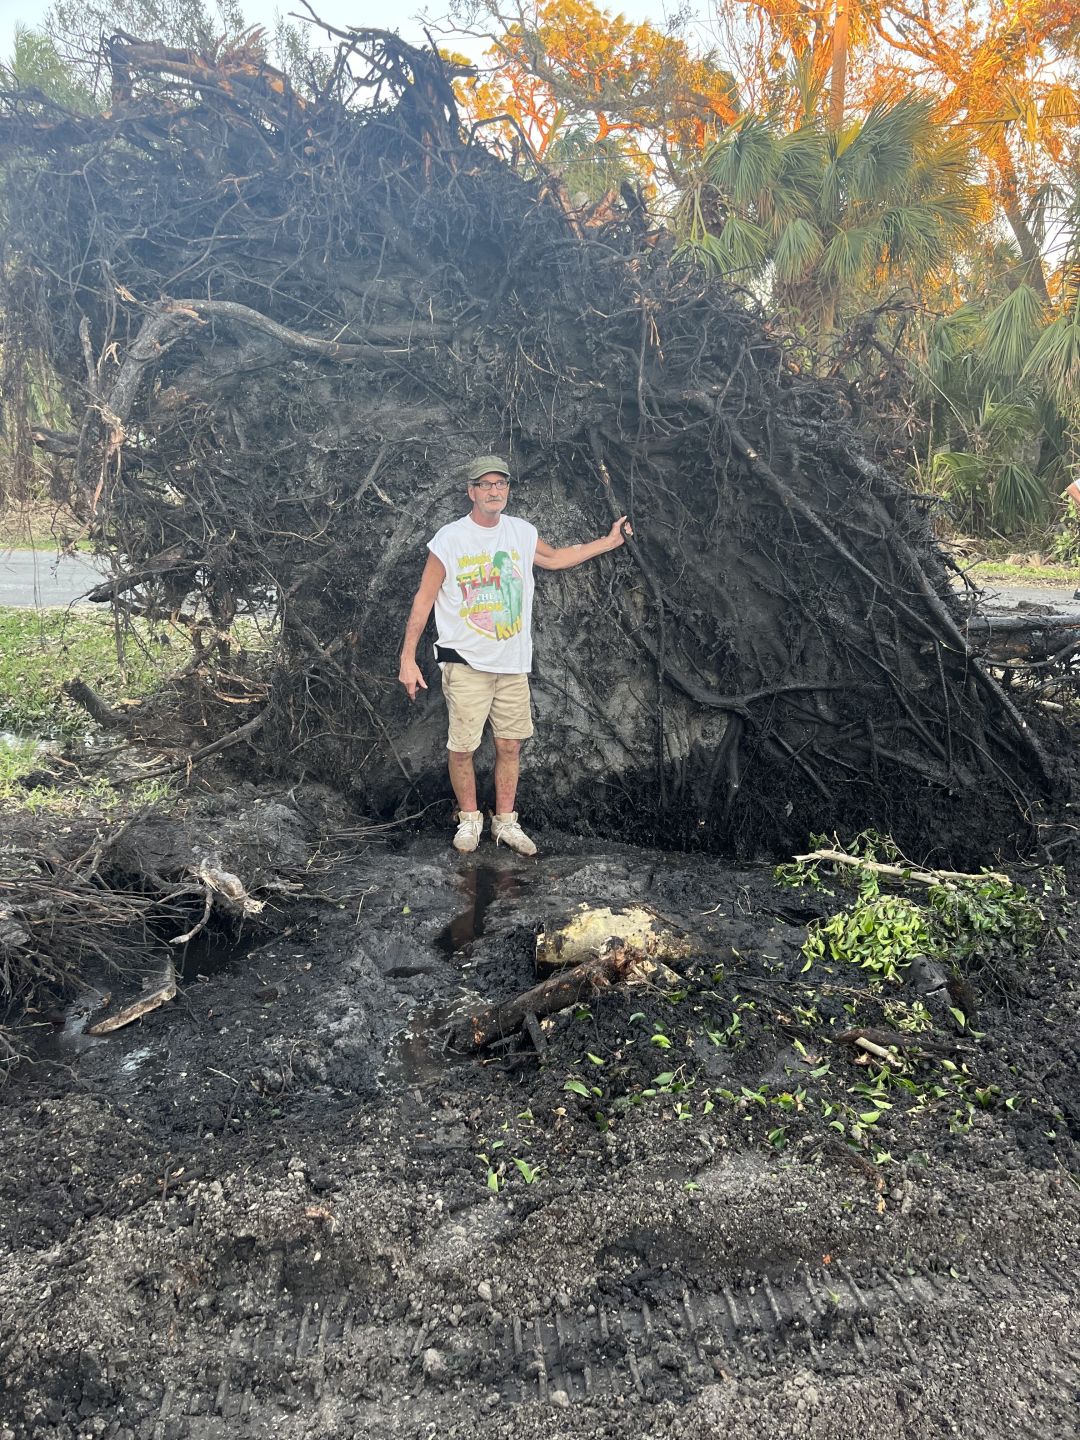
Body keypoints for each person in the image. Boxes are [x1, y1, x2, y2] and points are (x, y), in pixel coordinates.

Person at [398, 454, 631, 855]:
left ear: (507, 490)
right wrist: (407, 658)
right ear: (471, 492)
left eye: (500, 484)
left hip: (512, 663)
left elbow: (556, 558)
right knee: (462, 747)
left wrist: (610, 542)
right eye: (485, 485)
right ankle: (470, 820)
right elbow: (424, 599)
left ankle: (505, 822)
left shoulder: (520, 532)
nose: (494, 491)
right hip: (465, 661)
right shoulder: (450, 539)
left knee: (510, 746)